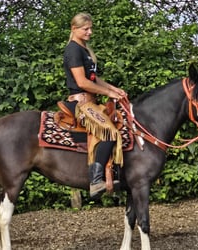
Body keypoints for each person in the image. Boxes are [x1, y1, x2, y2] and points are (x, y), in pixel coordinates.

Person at [63, 13, 127, 199]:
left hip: (91, 101)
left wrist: (115, 89)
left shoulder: (84, 49)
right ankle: (96, 181)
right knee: (110, 132)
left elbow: (93, 78)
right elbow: (82, 82)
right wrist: (108, 93)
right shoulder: (73, 50)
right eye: (86, 29)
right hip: (81, 103)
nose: (90, 32)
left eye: (91, 28)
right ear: (74, 29)